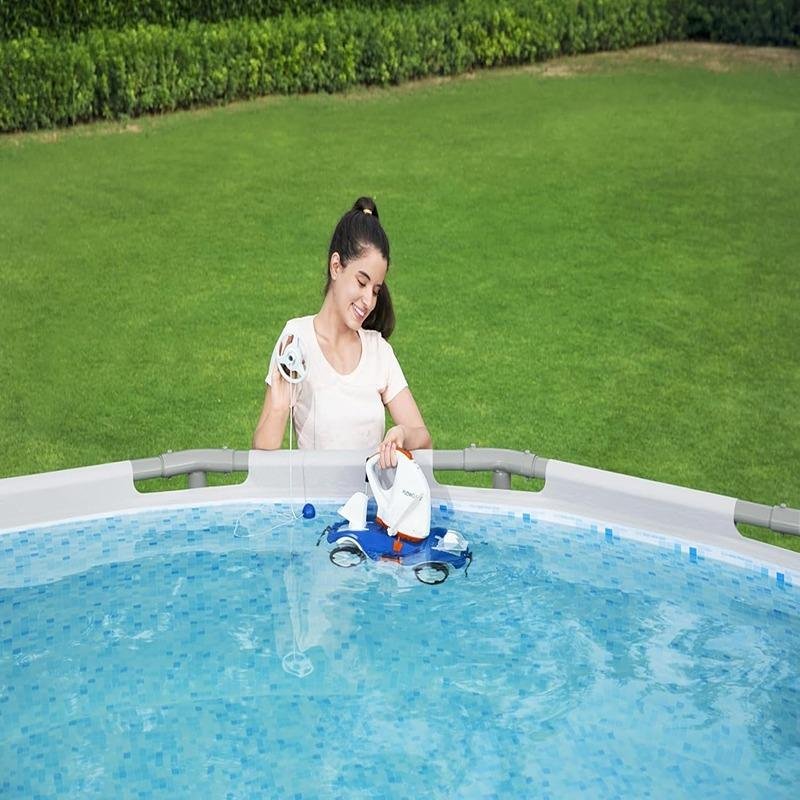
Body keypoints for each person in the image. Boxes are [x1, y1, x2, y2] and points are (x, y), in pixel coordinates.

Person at [252, 197, 431, 468]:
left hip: (372, 495)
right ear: (336, 266)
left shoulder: (378, 351)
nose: (368, 301)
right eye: (361, 282)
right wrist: (279, 407)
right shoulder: (296, 340)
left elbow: (424, 439)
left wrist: (403, 434)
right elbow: (262, 455)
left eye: (375, 290)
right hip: (316, 496)